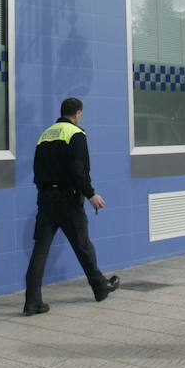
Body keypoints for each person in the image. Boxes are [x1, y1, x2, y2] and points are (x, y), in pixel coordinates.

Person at [23, 97, 119, 315]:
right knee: (83, 246)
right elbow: (79, 169)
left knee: (39, 252)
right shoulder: (76, 134)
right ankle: (100, 287)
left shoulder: (45, 134)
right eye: (80, 114)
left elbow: (36, 168)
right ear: (77, 113)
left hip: (46, 199)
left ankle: (32, 302)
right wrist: (90, 194)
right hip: (68, 199)